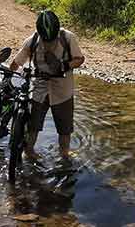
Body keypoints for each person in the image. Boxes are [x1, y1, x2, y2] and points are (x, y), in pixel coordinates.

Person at [9, 9, 84, 161]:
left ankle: (64, 154)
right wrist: (9, 72)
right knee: (33, 125)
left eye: (51, 39)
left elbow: (79, 59)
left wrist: (63, 66)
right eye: (46, 39)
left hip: (63, 90)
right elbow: (17, 62)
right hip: (39, 89)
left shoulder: (68, 38)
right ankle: (29, 151)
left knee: (64, 128)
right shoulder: (32, 40)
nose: (49, 43)